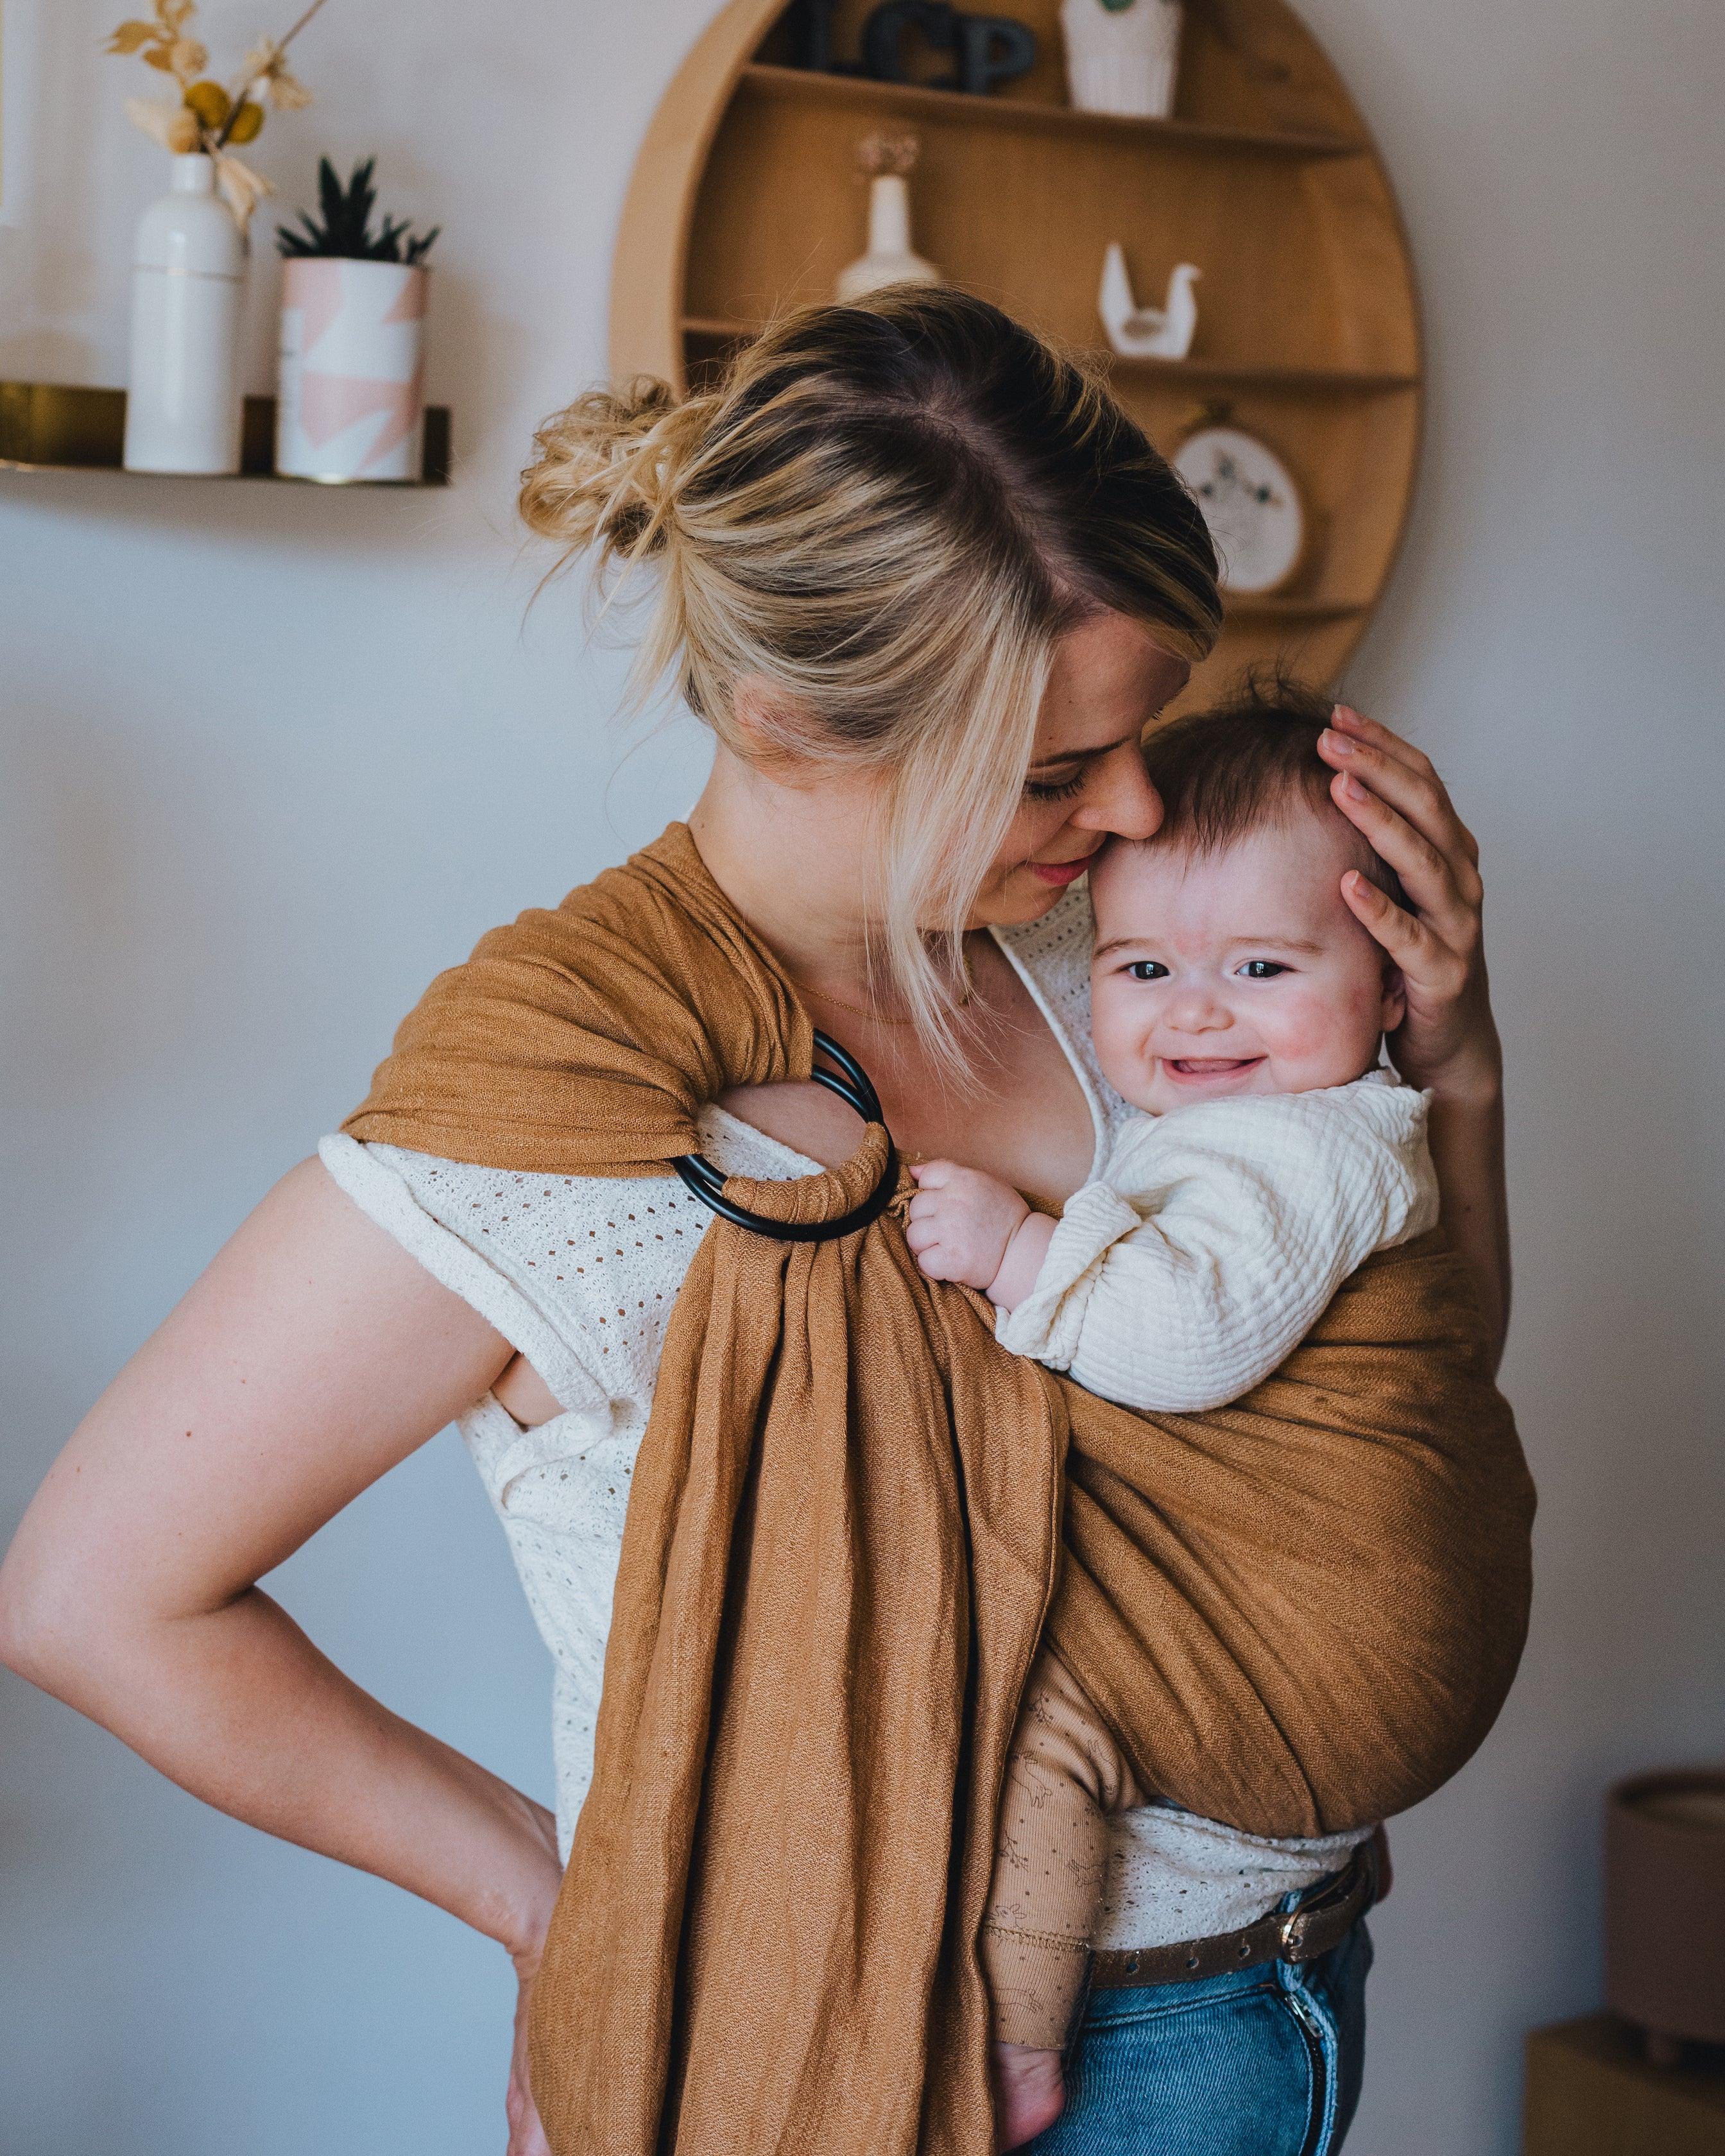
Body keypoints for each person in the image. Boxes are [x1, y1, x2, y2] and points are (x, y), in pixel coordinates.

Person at [0, 290, 1509, 2156]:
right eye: (1055, 769)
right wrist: (551, 1908)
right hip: (919, 2062)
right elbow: (95, 1599)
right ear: (797, 722)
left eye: (1144, 735)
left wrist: (1453, 1069)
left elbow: (1398, 1414)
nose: (1132, 805)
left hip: (1299, 1981)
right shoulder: (566, 1106)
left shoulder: (1125, 957)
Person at [905, 680, 1525, 2148]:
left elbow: (1181, 1342)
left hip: (1342, 1666)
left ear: (1393, 987)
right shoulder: (1231, 1122)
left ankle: (1016, 2047)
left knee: (1048, 1724)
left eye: (1260, 965)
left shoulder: (1303, 1147)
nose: (1194, 1010)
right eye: (1139, 967)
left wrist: (1015, 1252)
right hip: (1346, 1676)